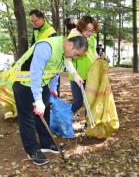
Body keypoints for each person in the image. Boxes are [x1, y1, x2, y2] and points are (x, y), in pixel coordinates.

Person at [12, 35, 88, 166]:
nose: (75, 57)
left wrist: (53, 89)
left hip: (40, 84)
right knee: (28, 118)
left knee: (45, 112)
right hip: (24, 84)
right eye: (76, 54)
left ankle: (46, 143)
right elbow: (35, 73)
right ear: (70, 45)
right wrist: (37, 100)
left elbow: (54, 69)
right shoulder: (46, 47)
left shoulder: (64, 52)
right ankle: (32, 150)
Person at [67, 16, 99, 114]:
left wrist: (100, 60)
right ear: (81, 27)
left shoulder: (93, 37)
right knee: (78, 102)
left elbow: (94, 53)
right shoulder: (73, 38)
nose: (89, 33)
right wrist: (75, 75)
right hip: (77, 76)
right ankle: (61, 119)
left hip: (91, 75)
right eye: (87, 30)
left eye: (92, 30)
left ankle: (88, 125)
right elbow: (67, 60)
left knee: (90, 102)